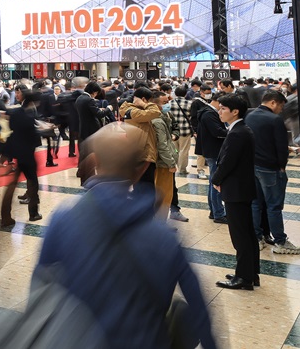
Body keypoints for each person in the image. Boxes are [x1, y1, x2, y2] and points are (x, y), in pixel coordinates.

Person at [35, 124, 217, 349]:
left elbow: (40, 293)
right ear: (142, 169)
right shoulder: (163, 237)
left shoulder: (62, 220)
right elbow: (199, 309)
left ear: (93, 162)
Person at [212, 94, 259, 290]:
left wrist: (216, 179)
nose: (219, 111)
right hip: (240, 188)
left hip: (236, 189)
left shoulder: (238, 132)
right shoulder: (239, 130)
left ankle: (244, 278)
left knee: (240, 235)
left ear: (235, 111)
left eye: (223, 108)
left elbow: (228, 161)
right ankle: (249, 272)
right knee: (246, 233)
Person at [246, 90, 300, 255]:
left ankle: (257, 238)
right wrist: (282, 166)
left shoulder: (250, 115)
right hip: (270, 168)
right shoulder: (275, 119)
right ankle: (281, 241)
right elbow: (280, 146)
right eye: (280, 106)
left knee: (256, 204)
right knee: (274, 206)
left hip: (253, 166)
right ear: (273, 103)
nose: (281, 110)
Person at [1, 87, 42, 227]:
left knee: (11, 186)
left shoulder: (16, 112)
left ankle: (5, 216)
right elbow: (33, 137)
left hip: (15, 151)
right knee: (33, 184)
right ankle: (33, 213)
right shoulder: (29, 117)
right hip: (27, 155)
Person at [199, 92, 229, 224]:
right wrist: (231, 131)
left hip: (212, 150)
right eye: (222, 106)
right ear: (216, 101)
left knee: (213, 181)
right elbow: (217, 131)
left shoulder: (207, 112)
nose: (222, 109)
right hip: (214, 151)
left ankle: (214, 211)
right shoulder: (209, 114)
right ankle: (218, 213)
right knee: (216, 182)